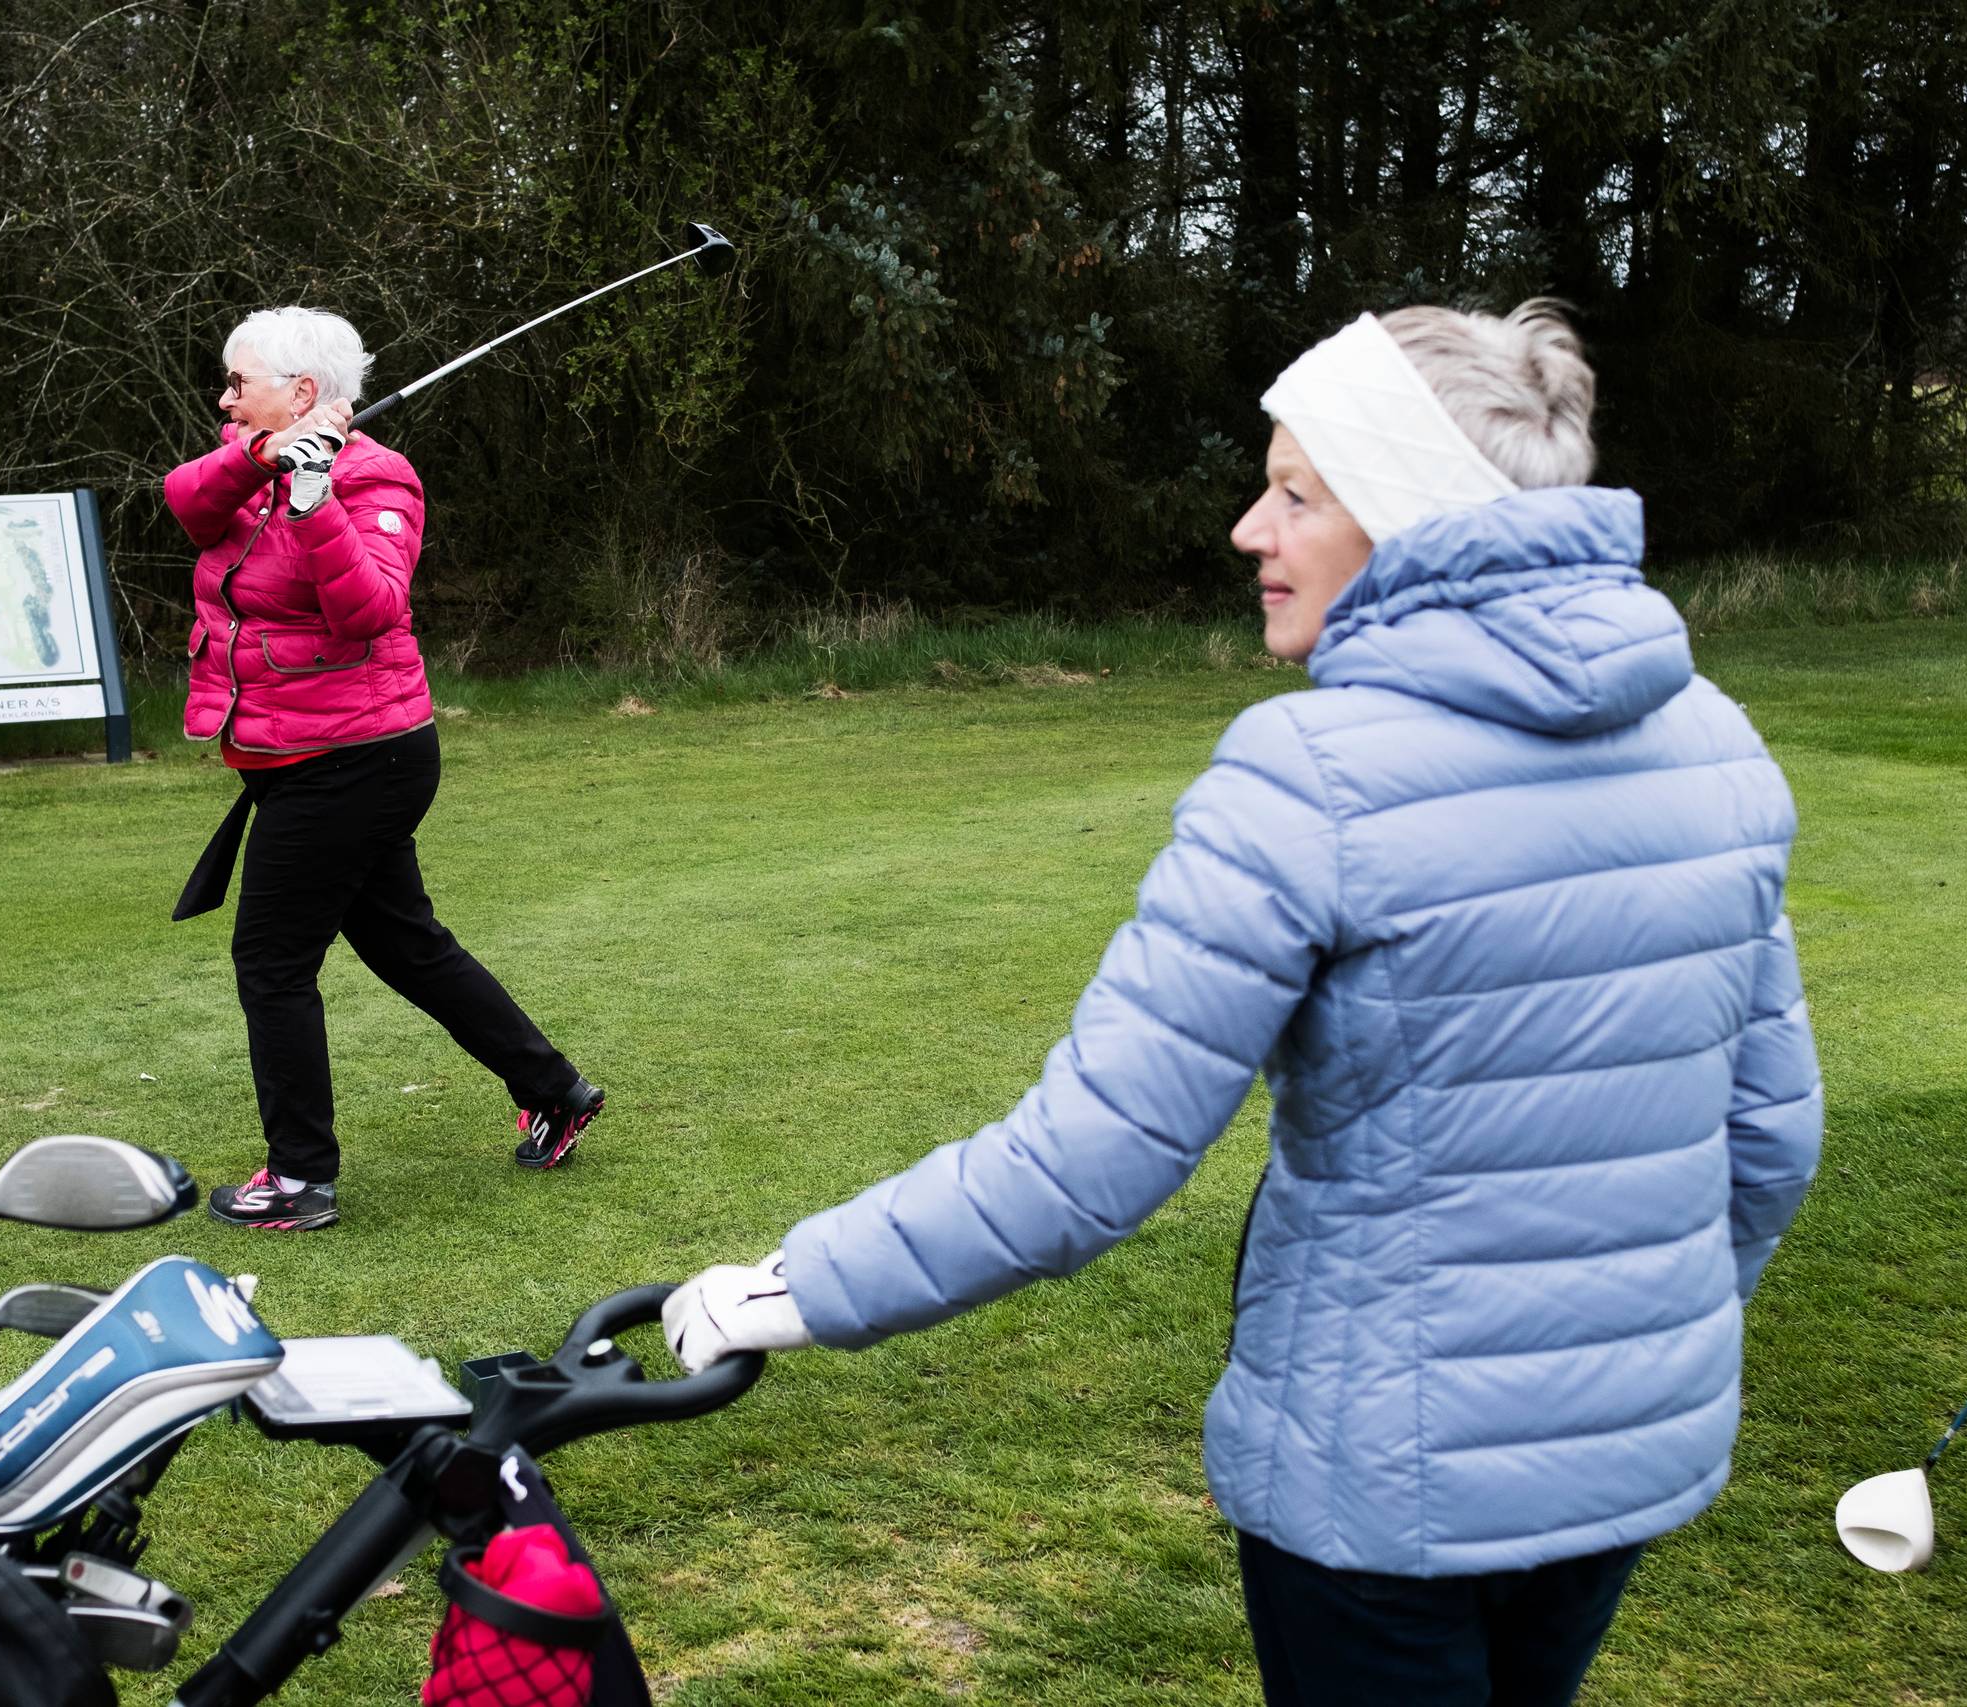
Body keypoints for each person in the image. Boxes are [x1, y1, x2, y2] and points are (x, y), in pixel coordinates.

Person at [663, 301, 1824, 1705]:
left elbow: (1086, 1160)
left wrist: (791, 1286)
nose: (1247, 530)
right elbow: (1770, 1139)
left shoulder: (1311, 772)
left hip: (1382, 1489)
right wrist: (1623, 1353)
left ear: (1402, 516)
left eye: (1293, 492)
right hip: (1630, 1452)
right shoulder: (1713, 738)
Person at [165, 306, 604, 1231]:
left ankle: (300, 1177)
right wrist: (262, 460)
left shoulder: (378, 479)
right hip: (292, 752)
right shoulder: (243, 461)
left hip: (360, 757)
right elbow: (184, 499)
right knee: (406, 943)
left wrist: (317, 501)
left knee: (273, 959)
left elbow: (371, 609)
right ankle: (556, 1090)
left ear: (303, 394)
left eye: (239, 384)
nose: (225, 395)